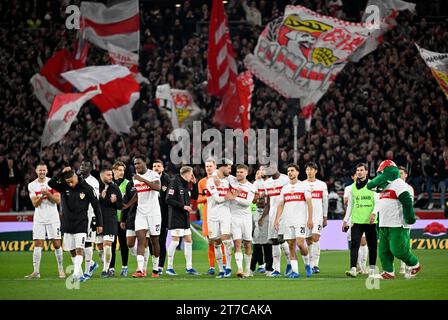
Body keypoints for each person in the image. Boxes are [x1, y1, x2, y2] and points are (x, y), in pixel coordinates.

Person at [367, 160, 421, 279]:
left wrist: (409, 218)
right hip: (384, 224)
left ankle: (415, 264)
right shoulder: (382, 187)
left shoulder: (399, 184)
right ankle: (388, 272)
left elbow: (407, 202)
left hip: (397, 223)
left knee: (398, 250)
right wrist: (377, 219)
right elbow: (382, 204)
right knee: (383, 251)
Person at [48, 167, 103, 282]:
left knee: (79, 249)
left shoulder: (87, 188)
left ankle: (76, 273)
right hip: (67, 223)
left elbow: (96, 206)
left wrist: (99, 223)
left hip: (81, 223)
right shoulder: (64, 186)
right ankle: (81, 274)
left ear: (76, 177)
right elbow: (51, 182)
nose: (70, 184)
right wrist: (61, 171)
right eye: (68, 182)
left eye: (71, 181)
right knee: (71, 250)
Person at [25, 163, 65, 279]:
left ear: (46, 171)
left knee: (57, 244)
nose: (42, 172)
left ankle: (61, 269)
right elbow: (35, 204)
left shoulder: (52, 183)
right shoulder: (32, 185)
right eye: (40, 170)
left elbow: (57, 200)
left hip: (53, 217)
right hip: (39, 218)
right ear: (36, 171)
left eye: (43, 170)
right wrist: (42, 196)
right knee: (38, 244)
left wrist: (47, 193)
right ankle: (36, 272)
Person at [274, 164, 313, 278]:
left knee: (300, 244)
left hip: (300, 220)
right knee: (291, 245)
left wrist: (310, 219)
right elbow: (281, 205)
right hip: (287, 221)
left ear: (297, 173)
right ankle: (295, 272)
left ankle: (307, 264)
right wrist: (277, 219)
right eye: (288, 171)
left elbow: (310, 203)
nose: (290, 173)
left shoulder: (304, 186)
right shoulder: (284, 188)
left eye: (292, 170)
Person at [343, 163, 379, 278]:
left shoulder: (373, 184)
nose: (359, 172)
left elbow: (378, 202)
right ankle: (353, 268)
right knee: (354, 245)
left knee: (372, 245)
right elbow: (350, 205)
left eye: (361, 170)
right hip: (357, 220)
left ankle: (372, 269)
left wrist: (374, 214)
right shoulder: (352, 187)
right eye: (358, 170)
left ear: (366, 172)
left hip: (370, 221)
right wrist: (345, 220)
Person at [130, 156, 162, 278]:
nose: (136, 166)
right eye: (135, 164)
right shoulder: (136, 179)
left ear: (145, 163)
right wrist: (127, 205)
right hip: (141, 213)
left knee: (155, 241)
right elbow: (138, 194)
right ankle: (140, 270)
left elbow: (157, 188)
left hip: (154, 213)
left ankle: (155, 269)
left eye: (138, 163)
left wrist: (142, 179)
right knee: (141, 240)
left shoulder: (153, 174)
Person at [165, 166, 200, 275]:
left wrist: (194, 184)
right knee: (175, 241)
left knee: (189, 241)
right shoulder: (174, 182)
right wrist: (183, 206)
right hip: (176, 217)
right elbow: (168, 199)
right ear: (185, 174)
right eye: (191, 174)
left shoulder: (186, 184)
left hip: (185, 218)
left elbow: (195, 196)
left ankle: (189, 267)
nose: (192, 176)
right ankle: (169, 267)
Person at [258, 167, 290, 277]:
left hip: (284, 214)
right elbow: (268, 203)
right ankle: (277, 269)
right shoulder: (267, 183)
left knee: (281, 239)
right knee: (273, 241)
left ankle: (290, 263)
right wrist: (263, 217)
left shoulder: (286, 179)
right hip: (272, 215)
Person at [197, 159, 226, 275]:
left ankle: (224, 265)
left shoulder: (222, 181)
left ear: (215, 167)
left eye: (210, 166)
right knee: (211, 241)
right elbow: (198, 199)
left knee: (222, 240)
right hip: (207, 215)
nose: (208, 168)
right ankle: (212, 267)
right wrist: (210, 196)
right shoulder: (202, 182)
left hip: (221, 214)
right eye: (206, 166)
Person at [206, 159, 235, 278]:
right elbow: (217, 199)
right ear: (222, 168)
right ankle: (221, 269)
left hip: (225, 214)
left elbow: (241, 180)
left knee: (226, 240)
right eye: (228, 168)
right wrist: (230, 197)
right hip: (212, 215)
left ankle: (228, 267)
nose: (230, 170)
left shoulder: (229, 179)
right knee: (216, 242)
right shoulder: (210, 181)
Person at [228, 164, 256, 277]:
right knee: (237, 243)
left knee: (248, 243)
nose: (239, 174)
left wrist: (235, 197)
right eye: (237, 172)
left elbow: (248, 203)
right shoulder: (231, 180)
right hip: (233, 217)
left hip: (246, 218)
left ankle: (248, 269)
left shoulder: (251, 187)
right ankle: (240, 269)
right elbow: (218, 171)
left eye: (241, 172)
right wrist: (215, 175)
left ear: (246, 173)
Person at [302, 162, 328, 274]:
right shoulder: (301, 184)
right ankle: (309, 263)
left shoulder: (322, 185)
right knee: (308, 240)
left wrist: (325, 216)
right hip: (305, 216)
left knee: (315, 238)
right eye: (308, 169)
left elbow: (325, 201)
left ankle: (315, 265)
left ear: (316, 171)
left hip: (317, 216)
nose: (309, 171)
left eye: (312, 169)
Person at [98, 168, 123, 277]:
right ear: (102, 176)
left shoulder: (115, 188)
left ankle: (105, 270)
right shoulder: (97, 187)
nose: (111, 177)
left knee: (107, 245)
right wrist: (101, 198)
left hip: (110, 220)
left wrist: (115, 202)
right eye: (108, 175)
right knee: (99, 247)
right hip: (98, 220)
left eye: (111, 175)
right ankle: (105, 264)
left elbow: (120, 205)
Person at [78, 160, 101, 280]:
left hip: (90, 215)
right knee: (76, 245)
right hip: (77, 216)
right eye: (81, 164)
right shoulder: (76, 179)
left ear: (91, 168)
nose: (82, 166)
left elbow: (94, 201)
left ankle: (87, 271)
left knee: (87, 242)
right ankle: (92, 264)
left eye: (86, 165)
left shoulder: (93, 182)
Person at [110, 161, 133, 277]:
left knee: (124, 244)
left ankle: (125, 267)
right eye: (119, 170)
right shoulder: (109, 184)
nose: (122, 172)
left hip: (123, 220)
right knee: (111, 245)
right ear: (113, 171)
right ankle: (111, 268)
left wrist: (125, 219)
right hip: (111, 220)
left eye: (123, 170)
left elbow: (129, 203)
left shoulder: (128, 184)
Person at [343, 171, 369, 275]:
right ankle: (358, 267)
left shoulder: (368, 186)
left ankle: (363, 266)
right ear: (352, 176)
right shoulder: (349, 188)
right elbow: (346, 203)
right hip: (351, 218)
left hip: (362, 217)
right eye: (355, 174)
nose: (357, 175)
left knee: (363, 242)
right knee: (354, 243)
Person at [251, 167, 272, 274]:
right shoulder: (255, 184)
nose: (261, 173)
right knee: (257, 240)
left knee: (272, 241)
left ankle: (274, 266)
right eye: (259, 171)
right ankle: (261, 265)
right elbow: (253, 200)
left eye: (263, 171)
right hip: (257, 212)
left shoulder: (272, 182)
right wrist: (258, 198)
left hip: (270, 212)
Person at [152, 160, 171, 275]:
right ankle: (153, 263)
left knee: (161, 241)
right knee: (151, 241)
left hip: (163, 216)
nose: (156, 168)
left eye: (159, 166)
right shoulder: (148, 179)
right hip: (151, 214)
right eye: (154, 166)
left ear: (163, 168)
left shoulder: (167, 181)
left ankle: (160, 266)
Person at [398, 166, 415, 274]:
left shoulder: (409, 188)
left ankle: (404, 265)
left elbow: (409, 205)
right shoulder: (392, 187)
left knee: (405, 242)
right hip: (394, 219)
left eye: (401, 173)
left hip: (404, 219)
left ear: (406, 175)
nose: (399, 175)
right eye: (398, 173)